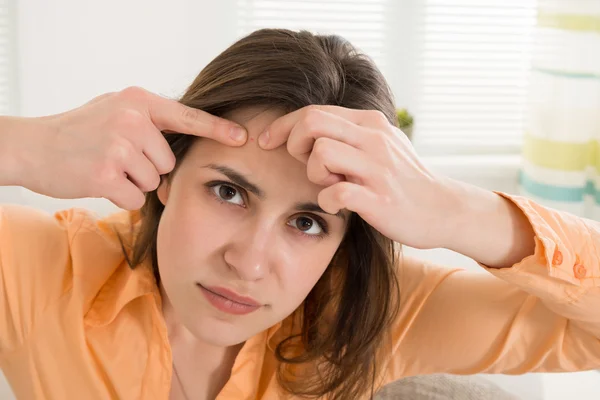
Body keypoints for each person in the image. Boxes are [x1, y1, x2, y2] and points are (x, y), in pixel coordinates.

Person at [0, 28, 598, 400]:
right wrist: (26, 147)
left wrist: (457, 211)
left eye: (307, 222)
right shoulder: (50, 274)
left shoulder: (373, 312)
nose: (250, 263)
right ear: (167, 174)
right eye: (229, 193)